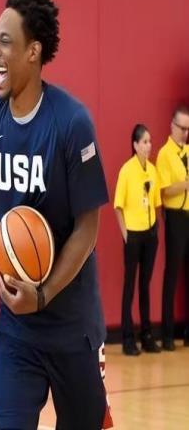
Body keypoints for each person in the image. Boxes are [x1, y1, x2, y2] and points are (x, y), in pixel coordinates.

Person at [0, 0, 113, 429]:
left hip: (73, 326)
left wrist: (44, 294)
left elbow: (88, 227)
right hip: (17, 330)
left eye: (5, 41)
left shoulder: (71, 123)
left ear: (33, 51)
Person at [114, 124, 162, 356]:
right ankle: (127, 337)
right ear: (135, 145)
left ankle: (147, 335)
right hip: (133, 235)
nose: (148, 146)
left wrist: (155, 229)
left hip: (150, 234)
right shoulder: (127, 171)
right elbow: (118, 206)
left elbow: (155, 202)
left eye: (150, 141)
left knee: (145, 285)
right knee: (130, 285)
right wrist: (126, 234)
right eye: (144, 142)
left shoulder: (152, 170)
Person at [156, 104, 189, 351]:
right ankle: (167, 334)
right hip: (175, 216)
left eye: (188, 129)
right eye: (182, 128)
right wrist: (185, 184)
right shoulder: (165, 154)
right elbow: (165, 190)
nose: (185, 133)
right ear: (172, 126)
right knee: (172, 273)